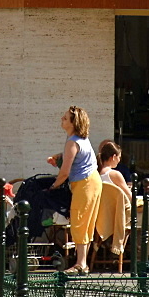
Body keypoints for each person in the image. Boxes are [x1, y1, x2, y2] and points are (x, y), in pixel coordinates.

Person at [47, 106, 101, 276]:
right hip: (92, 181)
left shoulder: (72, 142)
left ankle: (81, 264)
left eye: (65, 118)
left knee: (79, 221)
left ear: (73, 123)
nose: (61, 119)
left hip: (85, 184)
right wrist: (59, 157)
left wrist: (53, 186)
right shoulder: (80, 140)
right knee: (85, 222)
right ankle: (82, 263)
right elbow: (74, 158)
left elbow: (64, 173)